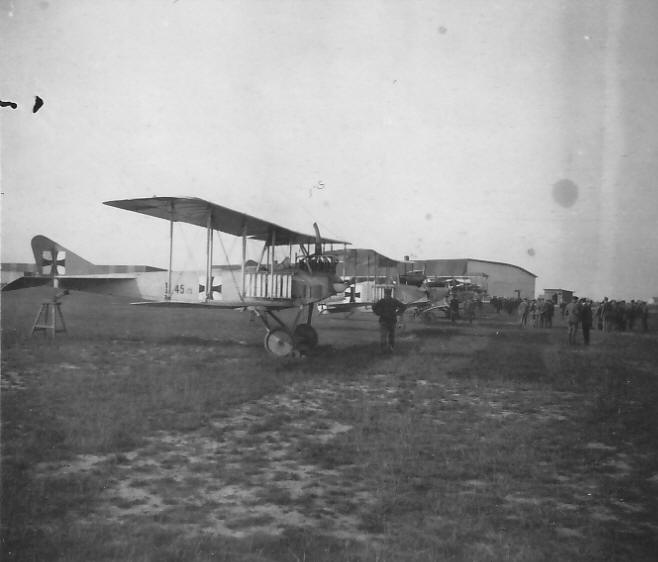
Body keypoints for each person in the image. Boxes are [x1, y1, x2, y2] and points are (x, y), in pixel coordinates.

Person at [372, 288, 405, 352]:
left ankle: (385, 349)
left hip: (385, 320)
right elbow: (403, 307)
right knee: (389, 335)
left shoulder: (382, 301)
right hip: (390, 320)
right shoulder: (393, 301)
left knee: (385, 335)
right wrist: (397, 313)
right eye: (387, 294)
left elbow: (374, 307)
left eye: (387, 294)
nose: (386, 295)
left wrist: (378, 313)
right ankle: (389, 348)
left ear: (386, 294)